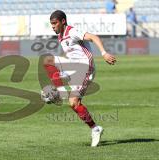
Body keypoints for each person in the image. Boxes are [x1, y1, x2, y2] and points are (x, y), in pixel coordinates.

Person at [44, 10, 116, 147]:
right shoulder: (61, 36)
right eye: (51, 24)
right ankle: (59, 92)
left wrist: (104, 53)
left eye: (55, 23)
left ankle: (95, 129)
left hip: (85, 68)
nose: (53, 26)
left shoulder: (72, 31)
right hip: (74, 68)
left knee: (73, 103)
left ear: (63, 21)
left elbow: (94, 37)